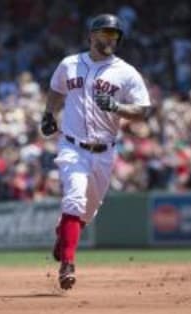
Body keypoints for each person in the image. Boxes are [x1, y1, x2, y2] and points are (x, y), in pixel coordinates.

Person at [40, 13, 153, 290]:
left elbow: (143, 110)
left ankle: (62, 238)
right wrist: (48, 114)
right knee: (74, 200)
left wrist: (117, 107)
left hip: (104, 152)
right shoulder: (70, 64)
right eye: (104, 33)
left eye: (114, 35)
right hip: (72, 146)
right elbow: (56, 89)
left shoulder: (126, 72)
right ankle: (67, 265)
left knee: (87, 213)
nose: (109, 39)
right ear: (90, 36)